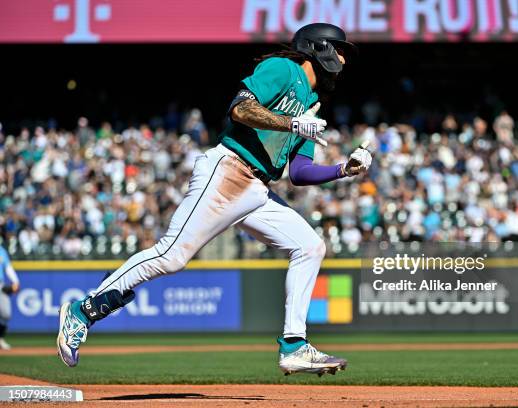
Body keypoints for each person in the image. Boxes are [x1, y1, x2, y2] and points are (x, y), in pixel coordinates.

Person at [57, 23, 371, 376]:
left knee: (310, 246)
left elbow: (300, 173)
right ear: (319, 47)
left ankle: (294, 345)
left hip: (256, 189)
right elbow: (240, 109)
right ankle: (82, 311)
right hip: (228, 170)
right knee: (171, 256)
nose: (343, 58)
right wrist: (292, 123)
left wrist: (344, 169)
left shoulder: (311, 104)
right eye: (339, 49)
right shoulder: (284, 69)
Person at [0, 245, 19, 351]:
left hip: (0, 284)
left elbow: (7, 267)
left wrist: (15, 281)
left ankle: (0, 339)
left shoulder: (1, 250)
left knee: (6, 314)